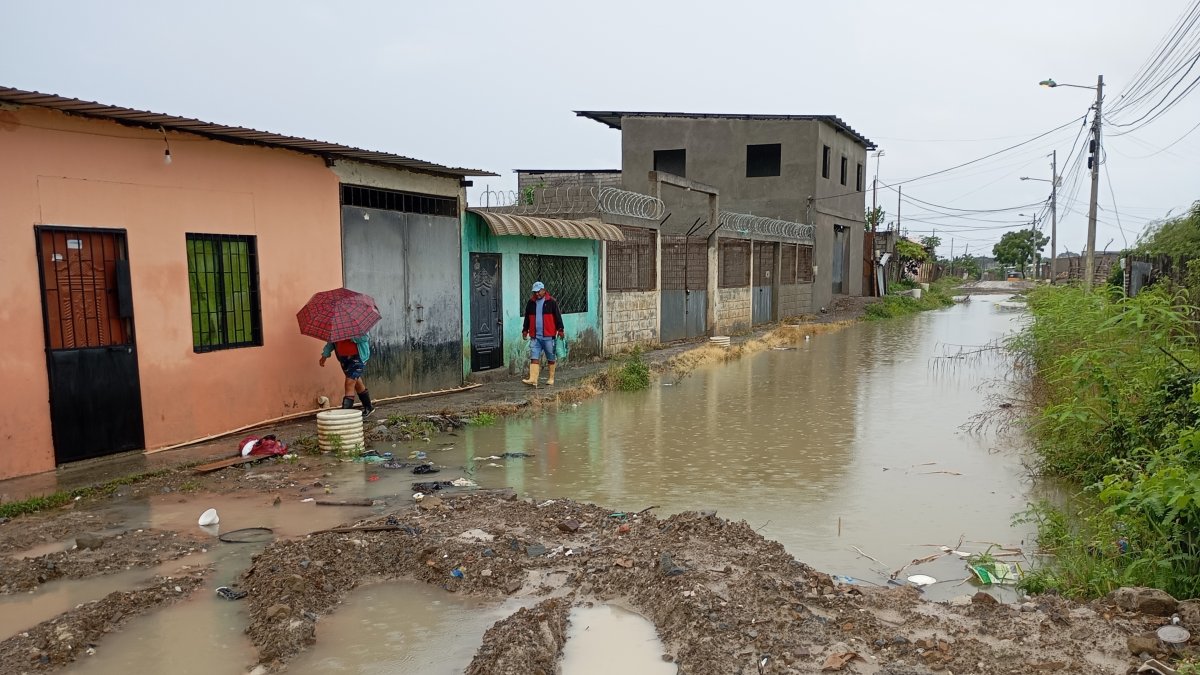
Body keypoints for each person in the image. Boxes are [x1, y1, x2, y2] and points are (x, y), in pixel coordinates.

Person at [319, 334, 375, 417]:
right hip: (344, 359)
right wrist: (325, 355)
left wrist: (351, 337)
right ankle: (368, 407)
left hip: (357, 358)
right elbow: (331, 343)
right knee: (356, 382)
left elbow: (365, 337)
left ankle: (345, 414)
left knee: (349, 383)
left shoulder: (354, 326)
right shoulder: (337, 329)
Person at [521, 281, 565, 386]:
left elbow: (558, 317)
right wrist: (525, 330)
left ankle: (551, 378)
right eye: (535, 292)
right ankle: (533, 379)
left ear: (544, 290)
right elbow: (527, 318)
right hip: (535, 337)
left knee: (550, 357)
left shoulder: (551, 302)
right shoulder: (530, 303)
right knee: (534, 357)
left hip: (548, 336)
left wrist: (560, 330)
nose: (536, 294)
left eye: (538, 291)